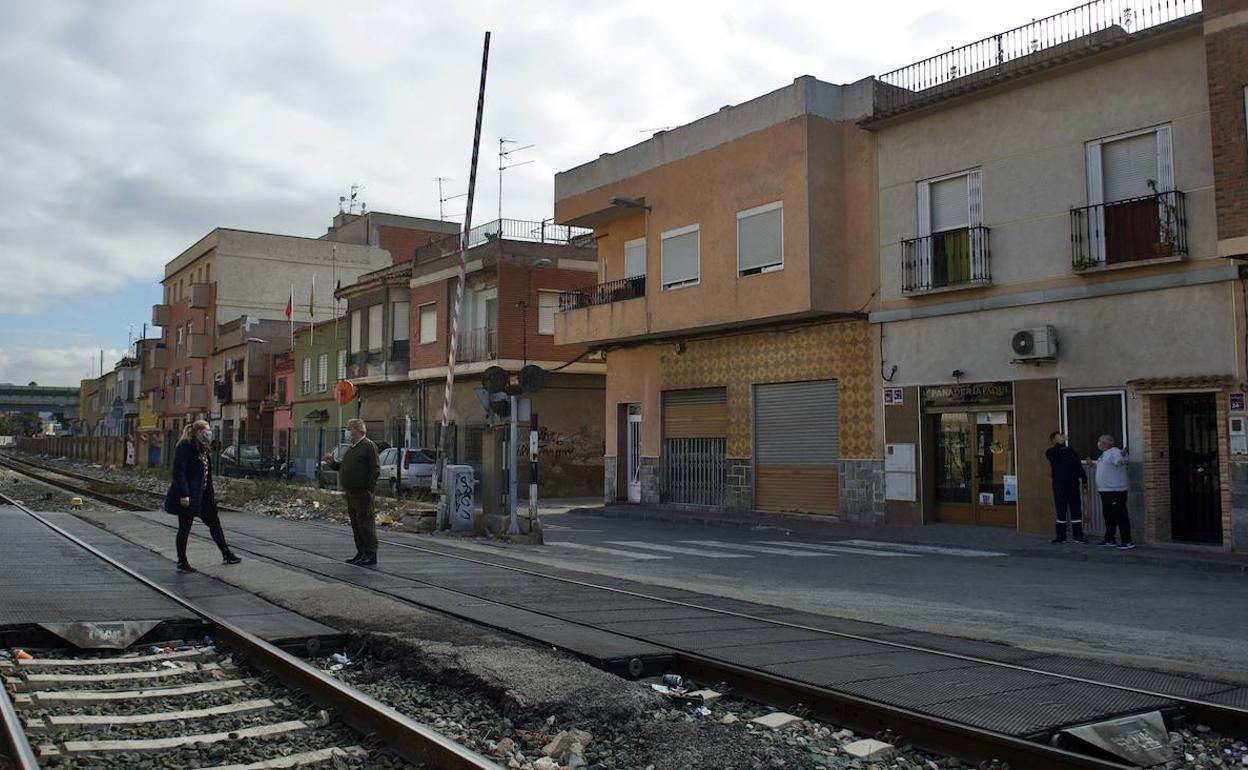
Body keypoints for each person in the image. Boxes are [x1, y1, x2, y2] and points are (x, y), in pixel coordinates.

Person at [163, 420, 241, 573]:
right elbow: (179, 472)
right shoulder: (185, 447)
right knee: (185, 528)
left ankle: (227, 554)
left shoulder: (203, 449)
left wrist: (211, 497)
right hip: (189, 495)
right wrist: (184, 494)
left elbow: (206, 476)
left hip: (203, 496)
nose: (209, 434)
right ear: (198, 432)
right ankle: (182, 561)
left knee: (214, 524)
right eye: (206, 431)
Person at [323, 419, 380, 566]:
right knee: (356, 524)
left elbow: (375, 469)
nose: (347, 432)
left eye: (349, 429)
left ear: (357, 429)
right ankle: (361, 552)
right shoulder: (352, 448)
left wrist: (369, 489)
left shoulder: (368, 446)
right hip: (351, 492)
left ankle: (370, 553)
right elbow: (344, 467)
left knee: (365, 523)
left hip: (362, 492)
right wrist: (333, 463)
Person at [1092, 434, 1134, 550]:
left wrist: (1123, 455)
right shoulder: (1104, 454)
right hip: (1105, 491)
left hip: (1115, 491)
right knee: (1108, 515)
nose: (1099, 443)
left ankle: (1127, 540)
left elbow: (1119, 462)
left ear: (1107, 442)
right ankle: (1109, 538)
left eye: (1100, 441)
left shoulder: (1115, 452)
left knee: (1120, 515)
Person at [1045, 431, 1088, 544]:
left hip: (1073, 485)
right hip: (1060, 486)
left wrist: (1084, 478)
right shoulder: (1051, 451)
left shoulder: (1070, 450)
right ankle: (1060, 537)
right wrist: (1058, 445)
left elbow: (1077, 465)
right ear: (1054, 440)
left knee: (1076, 511)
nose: (1062, 438)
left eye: (1062, 436)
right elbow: (1054, 455)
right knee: (1061, 511)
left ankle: (1078, 536)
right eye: (1059, 437)